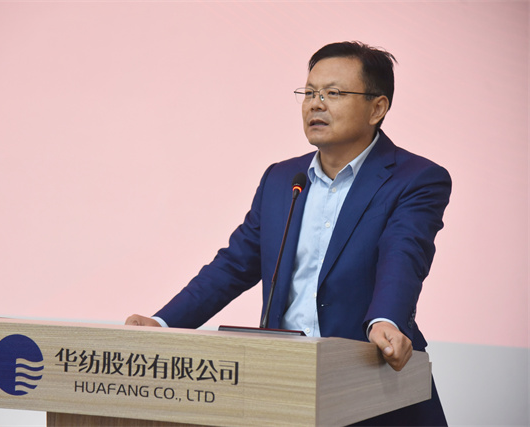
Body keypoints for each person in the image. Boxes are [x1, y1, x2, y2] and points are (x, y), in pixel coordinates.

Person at [126, 41, 451, 426]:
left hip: (371, 380)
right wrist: (164, 324)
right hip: (285, 382)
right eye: (309, 93)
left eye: (333, 93)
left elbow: (403, 255)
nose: (316, 104)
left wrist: (386, 320)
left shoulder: (415, 179)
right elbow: (234, 265)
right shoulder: (283, 179)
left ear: (377, 108)